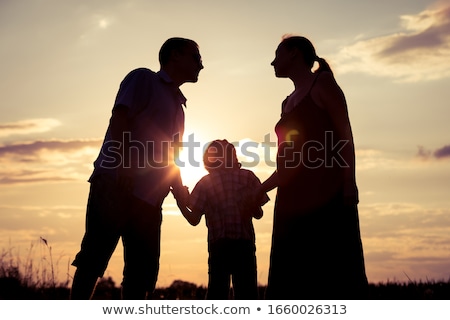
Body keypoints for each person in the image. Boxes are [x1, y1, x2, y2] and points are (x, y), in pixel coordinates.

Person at [70, 37, 204, 300]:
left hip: (150, 201)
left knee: (141, 274)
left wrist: (180, 196)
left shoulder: (179, 106)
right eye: (195, 57)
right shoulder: (143, 79)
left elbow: (171, 158)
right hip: (116, 185)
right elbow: (120, 116)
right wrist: (124, 165)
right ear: (175, 55)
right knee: (93, 259)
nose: (201, 65)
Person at [261, 35, 368, 299]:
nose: (273, 62)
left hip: (325, 194)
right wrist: (259, 189)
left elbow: (345, 135)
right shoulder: (286, 103)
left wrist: (348, 183)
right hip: (291, 200)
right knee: (292, 273)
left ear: (295, 53)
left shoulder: (323, 84)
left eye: (278, 54)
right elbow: (287, 162)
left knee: (331, 270)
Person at [179, 139, 269, 299]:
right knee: (247, 294)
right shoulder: (247, 177)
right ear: (233, 156)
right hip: (244, 244)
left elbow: (194, 219)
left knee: (217, 293)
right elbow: (259, 214)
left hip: (219, 246)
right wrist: (250, 205)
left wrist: (181, 203)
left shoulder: (205, 183)